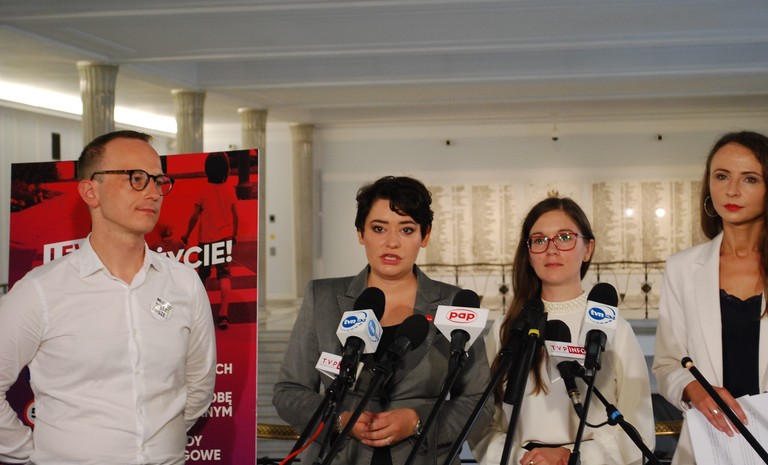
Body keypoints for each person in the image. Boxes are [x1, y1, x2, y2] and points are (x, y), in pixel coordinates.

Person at [0, 130, 217, 464]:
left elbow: (199, 385)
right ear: (90, 191)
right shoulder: (40, 290)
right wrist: (31, 454)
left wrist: (162, 440)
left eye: (159, 180)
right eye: (136, 178)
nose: (153, 192)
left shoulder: (184, 283)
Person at [273, 175, 494, 465]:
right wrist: (340, 420)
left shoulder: (454, 303)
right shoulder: (322, 298)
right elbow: (289, 392)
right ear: (360, 233)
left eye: (407, 230)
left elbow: (480, 402)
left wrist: (417, 422)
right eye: (379, 228)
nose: (392, 242)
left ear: (425, 236)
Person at [470, 197, 654, 465]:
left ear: (588, 248)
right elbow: (481, 425)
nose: (551, 250)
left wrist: (572, 457)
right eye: (539, 240)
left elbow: (639, 428)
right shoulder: (505, 329)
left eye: (564, 237)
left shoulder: (615, 329)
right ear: (528, 253)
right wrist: (525, 458)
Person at [652, 130, 768, 465]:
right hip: (711, 442)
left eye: (749, 179)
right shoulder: (682, 268)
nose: (732, 190)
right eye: (721, 176)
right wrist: (694, 390)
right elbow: (667, 362)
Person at [181, 151, 239, 330]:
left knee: (203, 276)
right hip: (224, 239)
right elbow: (236, 216)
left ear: (207, 170)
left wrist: (186, 234)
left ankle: (203, 314)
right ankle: (223, 313)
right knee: (225, 276)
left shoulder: (203, 190)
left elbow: (194, 216)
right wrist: (234, 234)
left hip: (206, 240)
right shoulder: (229, 189)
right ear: (226, 170)